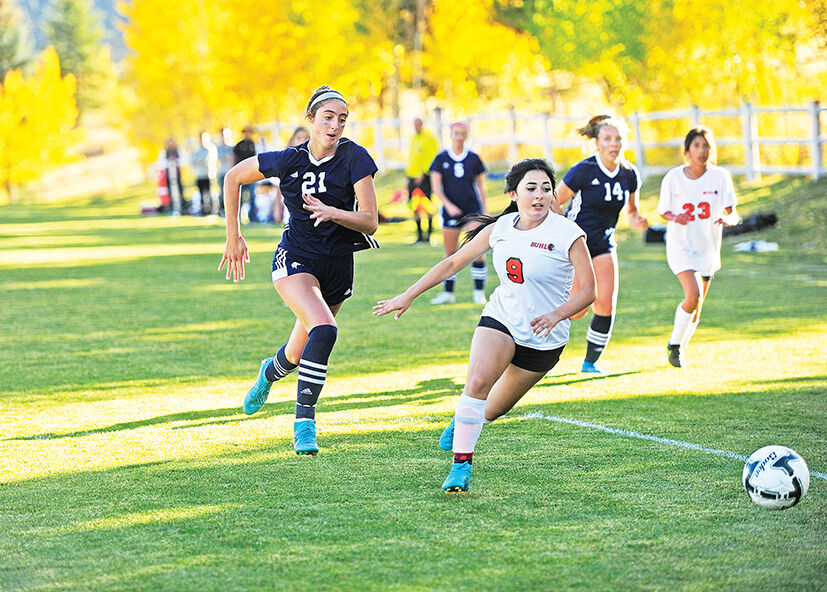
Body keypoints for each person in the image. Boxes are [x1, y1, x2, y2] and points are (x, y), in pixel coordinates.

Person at [374, 158, 596, 494]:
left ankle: (465, 420)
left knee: (491, 409)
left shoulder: (568, 234)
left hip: (545, 339)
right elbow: (452, 262)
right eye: (531, 188)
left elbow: (589, 291)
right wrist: (409, 294)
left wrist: (556, 315)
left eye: (546, 189)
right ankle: (460, 467)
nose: (539, 196)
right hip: (502, 318)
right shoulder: (501, 229)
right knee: (476, 383)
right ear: (513, 194)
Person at [219, 85, 379, 456]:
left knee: (296, 353)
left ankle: (268, 373)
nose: (335, 125)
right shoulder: (288, 160)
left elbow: (370, 221)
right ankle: (304, 422)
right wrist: (234, 235)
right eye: (327, 117)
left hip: (338, 265)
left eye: (342, 119)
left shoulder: (355, 157)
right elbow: (232, 178)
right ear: (310, 120)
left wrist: (334, 212)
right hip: (296, 259)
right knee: (324, 329)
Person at [555, 115, 649, 374]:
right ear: (597, 143)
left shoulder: (629, 174)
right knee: (576, 311)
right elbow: (555, 201)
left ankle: (590, 363)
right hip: (575, 244)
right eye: (607, 139)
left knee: (605, 303)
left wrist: (638, 221)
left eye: (618, 139)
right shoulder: (583, 170)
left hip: (604, 243)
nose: (614, 144)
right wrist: (556, 235)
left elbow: (631, 213)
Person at [658, 127, 738, 368]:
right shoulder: (673, 177)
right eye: (696, 146)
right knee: (692, 295)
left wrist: (729, 220)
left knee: (696, 308)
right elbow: (664, 210)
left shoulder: (721, 176)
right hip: (681, 245)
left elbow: (732, 212)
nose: (701, 151)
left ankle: (679, 348)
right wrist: (676, 217)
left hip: (708, 247)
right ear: (687, 150)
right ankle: (674, 345)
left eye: (706, 146)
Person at [429, 122, 489, 305]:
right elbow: (436, 186)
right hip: (451, 212)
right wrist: (447, 205)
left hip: (472, 210)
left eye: (463, 134)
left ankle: (479, 292)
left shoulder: (473, 159)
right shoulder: (441, 159)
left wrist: (485, 210)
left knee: (477, 250)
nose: (459, 137)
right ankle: (449, 293)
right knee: (451, 252)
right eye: (456, 133)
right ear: (451, 134)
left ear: (467, 135)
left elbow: (481, 185)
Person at [405, 117, 440, 244]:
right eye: (414, 125)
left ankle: (429, 236)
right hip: (411, 176)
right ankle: (419, 235)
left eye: (418, 125)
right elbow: (412, 158)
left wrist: (424, 172)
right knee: (413, 205)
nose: (416, 127)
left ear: (422, 124)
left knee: (428, 206)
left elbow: (433, 156)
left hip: (425, 177)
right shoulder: (413, 138)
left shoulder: (429, 139)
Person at [273, 127, 310, 225]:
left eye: (306, 137)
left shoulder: (315, 160)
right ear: (293, 140)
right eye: (299, 138)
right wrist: (277, 209)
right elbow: (279, 187)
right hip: (291, 213)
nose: (303, 141)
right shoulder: (286, 161)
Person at [234, 125, 258, 222]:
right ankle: (237, 218)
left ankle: (252, 217)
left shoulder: (253, 144)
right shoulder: (239, 145)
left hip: (252, 174)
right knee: (239, 196)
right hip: (242, 174)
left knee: (252, 196)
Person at [191, 131, 219, 215]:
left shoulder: (210, 148)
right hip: (199, 175)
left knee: (210, 193)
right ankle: (204, 210)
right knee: (201, 194)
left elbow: (206, 160)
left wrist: (199, 161)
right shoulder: (196, 149)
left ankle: (213, 210)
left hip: (208, 174)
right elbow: (193, 161)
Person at [163, 137, 186, 216]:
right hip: (169, 175)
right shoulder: (164, 151)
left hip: (177, 175)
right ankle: (172, 208)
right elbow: (161, 163)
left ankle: (181, 208)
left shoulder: (178, 150)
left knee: (180, 191)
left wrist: (175, 161)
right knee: (171, 192)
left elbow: (183, 161)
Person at [217, 128, 235, 216]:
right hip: (222, 173)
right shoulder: (218, 148)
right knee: (222, 193)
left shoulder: (233, 148)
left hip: (231, 173)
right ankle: (222, 211)